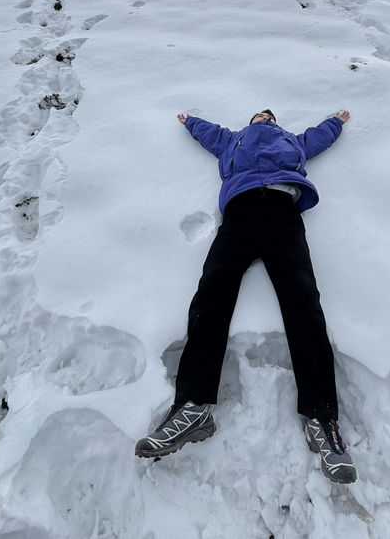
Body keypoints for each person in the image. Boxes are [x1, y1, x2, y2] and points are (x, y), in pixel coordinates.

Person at [135, 108, 356, 484]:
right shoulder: (232, 139)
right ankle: (191, 408)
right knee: (211, 297)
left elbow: (317, 138)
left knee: (303, 303)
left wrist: (335, 122)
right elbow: (210, 134)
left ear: (274, 121)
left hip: (284, 211)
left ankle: (322, 421)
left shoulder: (292, 140)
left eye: (269, 115)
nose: (264, 118)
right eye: (259, 115)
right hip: (239, 211)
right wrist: (190, 121)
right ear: (251, 121)